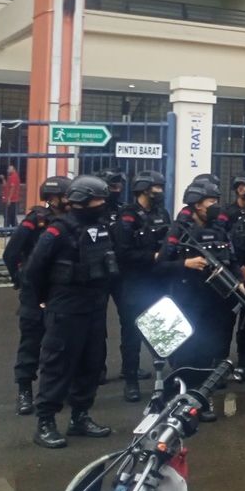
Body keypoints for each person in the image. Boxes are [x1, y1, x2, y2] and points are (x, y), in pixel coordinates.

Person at [21, 175, 116, 449]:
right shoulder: (58, 231)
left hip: (94, 307)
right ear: (82, 201)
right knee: (58, 364)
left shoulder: (102, 227)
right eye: (98, 200)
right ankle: (46, 422)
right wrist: (42, 300)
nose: (102, 204)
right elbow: (34, 270)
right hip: (66, 308)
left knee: (91, 363)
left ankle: (80, 416)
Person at [158, 181, 242, 421]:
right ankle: (178, 402)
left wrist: (238, 279)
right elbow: (161, 264)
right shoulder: (179, 230)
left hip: (215, 301)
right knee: (187, 354)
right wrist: (185, 263)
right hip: (188, 300)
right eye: (211, 202)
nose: (216, 206)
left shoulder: (219, 228)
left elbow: (231, 258)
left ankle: (199, 403)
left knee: (207, 352)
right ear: (196, 204)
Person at [2, 175, 70, 416]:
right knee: (31, 342)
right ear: (53, 198)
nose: (69, 199)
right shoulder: (36, 220)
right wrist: (20, 280)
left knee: (60, 342)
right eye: (65, 195)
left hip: (59, 291)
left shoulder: (70, 221)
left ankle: (55, 391)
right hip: (35, 293)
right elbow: (11, 253)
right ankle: (24, 391)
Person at [110, 170, 171, 402]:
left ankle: (162, 378)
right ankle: (131, 381)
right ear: (144, 189)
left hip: (157, 281)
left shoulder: (161, 213)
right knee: (132, 333)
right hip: (134, 282)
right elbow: (123, 252)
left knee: (160, 331)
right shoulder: (128, 216)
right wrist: (153, 256)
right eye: (157, 187)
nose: (160, 192)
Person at [215, 172, 245, 384]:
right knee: (226, 320)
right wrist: (240, 268)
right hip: (233, 272)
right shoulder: (227, 212)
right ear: (238, 188)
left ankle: (244, 363)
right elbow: (222, 240)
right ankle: (220, 366)